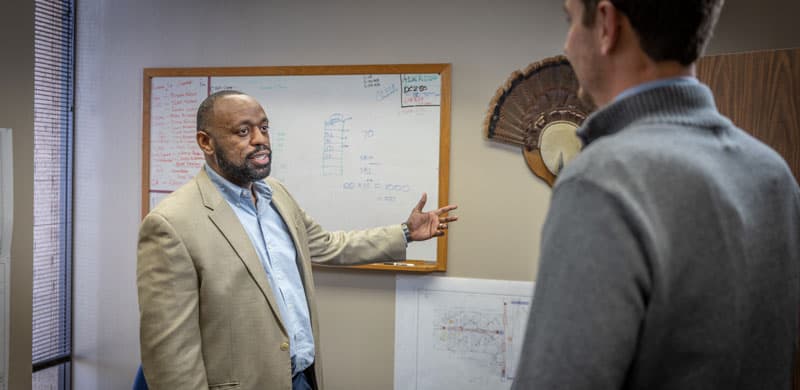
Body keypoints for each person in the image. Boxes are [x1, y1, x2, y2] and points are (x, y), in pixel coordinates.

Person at [512, 0, 800, 389]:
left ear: (605, 24)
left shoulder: (603, 182)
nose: (566, 45)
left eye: (569, 21)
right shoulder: (774, 176)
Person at [137, 90, 458, 390]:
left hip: (301, 378)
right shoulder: (171, 225)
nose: (260, 140)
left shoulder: (275, 194)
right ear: (206, 142)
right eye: (243, 132)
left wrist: (404, 233)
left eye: (264, 128)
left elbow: (329, 245)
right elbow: (170, 355)